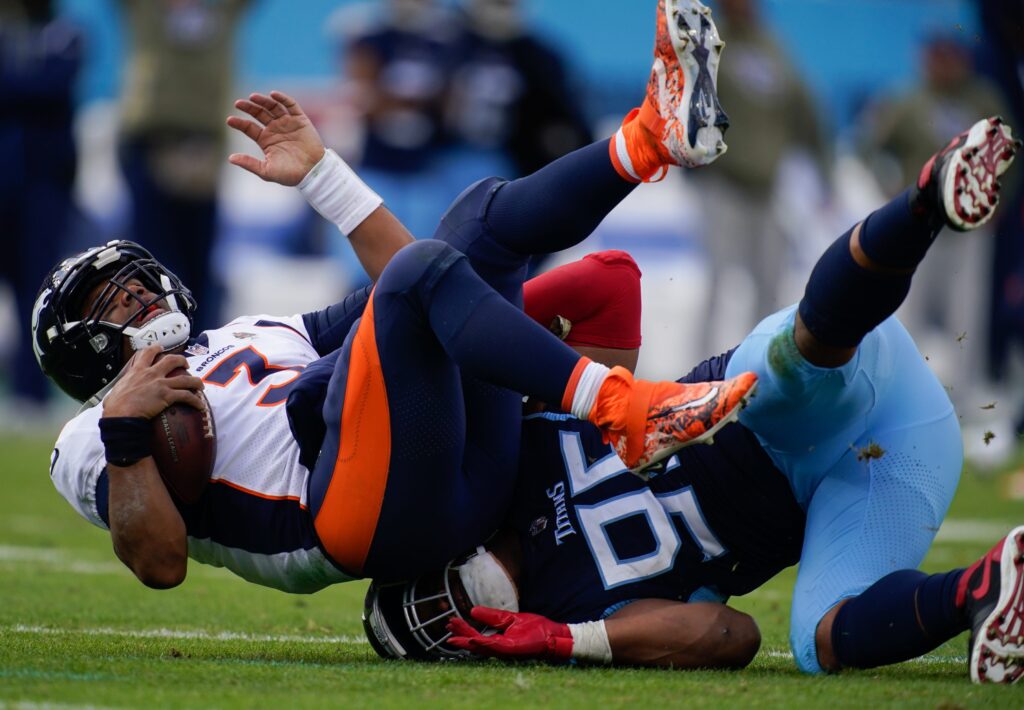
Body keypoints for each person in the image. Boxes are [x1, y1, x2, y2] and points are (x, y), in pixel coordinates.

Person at [36, 0, 754, 591]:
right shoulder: (89, 435)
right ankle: (620, 406)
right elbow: (161, 564)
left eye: (131, 282)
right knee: (401, 299)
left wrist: (324, 176)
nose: (134, 297)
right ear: (78, 352)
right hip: (354, 516)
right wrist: (127, 436)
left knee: (552, 257)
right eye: (109, 302)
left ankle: (650, 140)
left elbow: (420, 277)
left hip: (437, 458)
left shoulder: (242, 333)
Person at [363, 115, 1024, 685]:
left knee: (788, 373)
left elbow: (611, 283)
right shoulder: (568, 618)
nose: (445, 604)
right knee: (820, 645)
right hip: (887, 461)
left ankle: (923, 205)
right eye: (437, 622)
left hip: (770, 411)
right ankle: (985, 588)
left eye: (427, 595)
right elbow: (730, 636)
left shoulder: (513, 444)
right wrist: (572, 640)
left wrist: (491, 330)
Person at [116, 0, 254, 332]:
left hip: (203, 148)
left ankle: (199, 349)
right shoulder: (145, 10)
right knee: (149, 263)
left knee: (198, 266)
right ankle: (145, 347)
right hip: (149, 144)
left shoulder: (222, 10)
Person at [0, 0, 83, 415]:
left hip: (44, 185)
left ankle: (31, 396)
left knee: (37, 284)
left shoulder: (65, 33)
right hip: (7, 179)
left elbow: (55, 86)